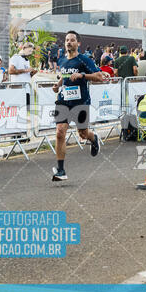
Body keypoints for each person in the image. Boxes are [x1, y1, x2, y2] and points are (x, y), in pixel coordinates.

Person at [52, 30, 105, 182]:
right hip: (63, 100)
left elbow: (99, 76)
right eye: (67, 40)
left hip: (81, 101)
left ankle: (93, 138)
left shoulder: (84, 59)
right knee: (60, 132)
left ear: (78, 43)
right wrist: (58, 84)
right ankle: (61, 170)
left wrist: (83, 75)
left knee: (82, 133)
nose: (69, 42)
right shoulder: (61, 60)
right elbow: (64, 75)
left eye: (72, 40)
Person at [9, 42, 38, 107]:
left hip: (27, 88)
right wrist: (25, 70)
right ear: (24, 48)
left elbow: (27, 75)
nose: (30, 53)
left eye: (31, 51)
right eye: (29, 51)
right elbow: (10, 71)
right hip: (18, 88)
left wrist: (32, 73)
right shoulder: (16, 57)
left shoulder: (27, 60)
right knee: (18, 110)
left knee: (27, 111)